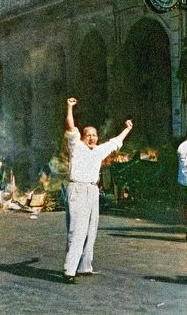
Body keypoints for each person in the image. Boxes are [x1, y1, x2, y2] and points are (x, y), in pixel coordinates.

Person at [62, 97, 133, 284]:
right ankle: (70, 270)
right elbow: (70, 126)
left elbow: (116, 142)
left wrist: (128, 128)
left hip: (93, 191)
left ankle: (85, 266)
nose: (92, 137)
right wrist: (69, 107)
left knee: (91, 229)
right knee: (77, 230)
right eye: (88, 135)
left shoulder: (99, 151)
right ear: (82, 137)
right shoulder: (76, 146)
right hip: (77, 189)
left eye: (94, 135)